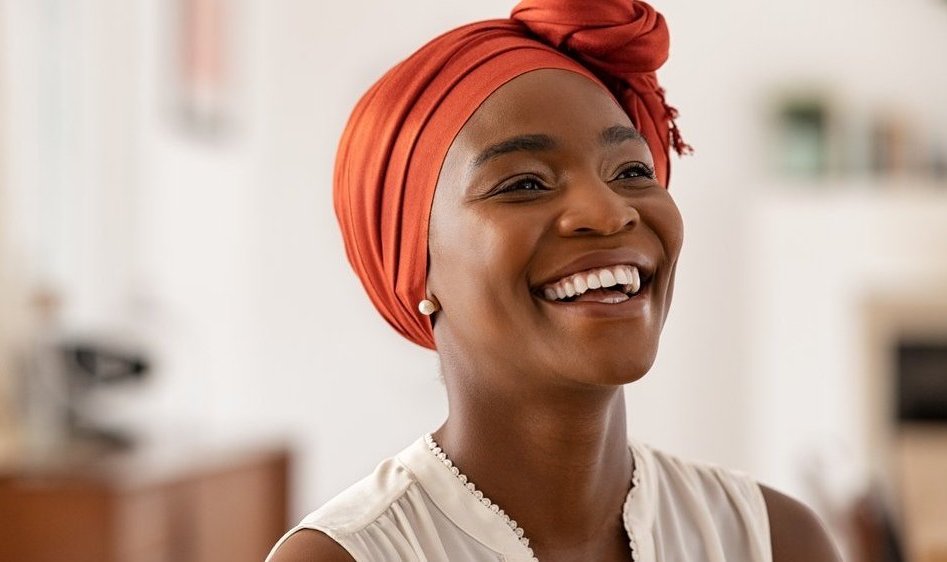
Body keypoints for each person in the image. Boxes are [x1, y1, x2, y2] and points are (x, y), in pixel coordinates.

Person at [268, 1, 842, 560]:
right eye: (522, 183)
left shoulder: (773, 541)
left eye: (633, 171)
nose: (610, 211)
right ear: (415, 266)